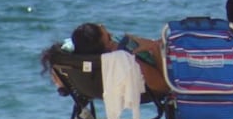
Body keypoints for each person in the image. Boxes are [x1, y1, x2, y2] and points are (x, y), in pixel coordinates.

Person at [40, 22, 168, 95]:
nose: (112, 35)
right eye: (109, 37)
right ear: (108, 47)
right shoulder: (129, 60)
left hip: (90, 91)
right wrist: (155, 48)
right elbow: (163, 86)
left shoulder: (72, 58)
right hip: (145, 91)